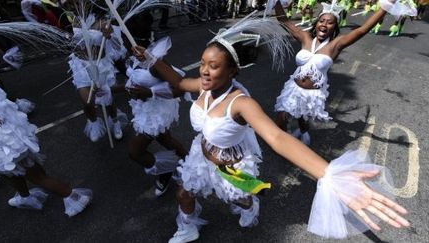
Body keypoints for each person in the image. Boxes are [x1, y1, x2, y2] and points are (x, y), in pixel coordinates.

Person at [130, 12, 409, 243]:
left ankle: (251, 204)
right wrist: (151, 59)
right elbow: (178, 84)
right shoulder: (202, 88)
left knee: (239, 200)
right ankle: (188, 227)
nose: (204, 71)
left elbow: (277, 137)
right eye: (202, 64)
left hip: (232, 167)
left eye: (213, 66)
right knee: (183, 193)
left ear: (232, 72)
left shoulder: (241, 103)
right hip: (200, 157)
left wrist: (328, 173)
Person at [273, 0, 414, 145]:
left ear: (334, 27)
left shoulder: (336, 44)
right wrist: (275, 1)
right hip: (293, 88)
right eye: (322, 21)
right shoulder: (305, 37)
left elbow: (362, 30)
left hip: (312, 94)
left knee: (302, 116)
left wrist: (385, 8)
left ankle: (303, 132)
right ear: (316, 23)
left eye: (330, 23)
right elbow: (284, 20)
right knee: (280, 120)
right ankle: (285, 144)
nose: (324, 24)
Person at [0, 85, 92, 217]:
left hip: (7, 146)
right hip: (15, 135)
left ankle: (74, 196)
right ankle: (24, 197)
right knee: (12, 173)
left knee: (38, 177)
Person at [125, 37, 188, 196]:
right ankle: (190, 164)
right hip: (146, 109)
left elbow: (180, 87)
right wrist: (110, 89)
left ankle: (168, 168)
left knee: (135, 151)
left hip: (156, 114)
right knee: (165, 140)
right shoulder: (134, 58)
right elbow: (133, 82)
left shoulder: (155, 63)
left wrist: (150, 92)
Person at [68, 2, 125, 142]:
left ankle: (115, 121)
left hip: (101, 66)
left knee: (108, 100)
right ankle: (93, 123)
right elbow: (76, 43)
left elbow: (119, 47)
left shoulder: (104, 23)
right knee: (87, 102)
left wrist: (110, 36)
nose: (79, 6)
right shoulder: (75, 21)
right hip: (81, 65)